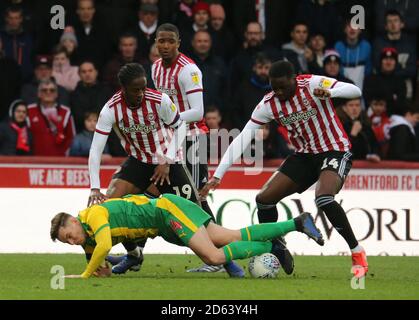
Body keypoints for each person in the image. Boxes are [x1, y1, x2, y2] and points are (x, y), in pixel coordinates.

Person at [202, 60, 368, 278]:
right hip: (304, 156)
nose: (279, 92)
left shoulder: (312, 84)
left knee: (324, 198)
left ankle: (357, 251)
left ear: (295, 79)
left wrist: (330, 92)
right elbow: (243, 138)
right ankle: (277, 246)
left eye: (283, 86)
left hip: (334, 150)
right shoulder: (268, 104)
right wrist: (218, 174)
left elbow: (354, 90)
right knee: (264, 199)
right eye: (274, 87)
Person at [87, 63, 216, 275]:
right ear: (123, 88)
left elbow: (180, 126)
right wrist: (94, 188)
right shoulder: (111, 109)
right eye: (135, 89)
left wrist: (166, 160)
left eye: (143, 88)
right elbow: (95, 150)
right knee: (109, 205)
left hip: (169, 159)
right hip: (138, 160)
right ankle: (134, 254)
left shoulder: (159, 100)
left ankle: (222, 257)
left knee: (193, 211)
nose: (141, 93)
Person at [50, 193, 324, 279]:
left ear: (74, 220)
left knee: (213, 255)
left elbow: (105, 245)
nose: (72, 241)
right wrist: (99, 271)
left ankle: (269, 246)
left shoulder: (94, 214)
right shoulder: (85, 235)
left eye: (69, 235)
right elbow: (97, 258)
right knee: (230, 236)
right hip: (164, 223)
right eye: (67, 241)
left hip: (167, 212)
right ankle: (296, 223)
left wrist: (85, 275)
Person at [152, 23, 244, 275]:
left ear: (179, 43)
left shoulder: (189, 70)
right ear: (156, 42)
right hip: (169, 140)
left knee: (196, 200)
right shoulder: (156, 68)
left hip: (193, 139)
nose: (165, 46)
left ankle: (225, 260)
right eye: (161, 41)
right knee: (162, 195)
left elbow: (198, 111)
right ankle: (134, 254)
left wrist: (171, 119)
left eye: (170, 41)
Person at [27, 80, 76, 156]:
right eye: (44, 90)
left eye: (52, 90)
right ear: (39, 94)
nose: (48, 92)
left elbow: (71, 137)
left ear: (56, 94)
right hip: (35, 160)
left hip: (59, 160)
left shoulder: (65, 112)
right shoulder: (29, 111)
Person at [70, 61, 112, 132]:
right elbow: (77, 116)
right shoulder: (74, 95)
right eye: (84, 72)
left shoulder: (106, 91)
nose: (87, 74)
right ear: (79, 74)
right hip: (82, 132)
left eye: (90, 71)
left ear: (96, 72)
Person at [363, 47, 407, 116]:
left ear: (395, 62)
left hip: (394, 116)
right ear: (381, 62)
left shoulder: (400, 81)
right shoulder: (370, 79)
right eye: (385, 59)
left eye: (391, 59)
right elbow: (367, 99)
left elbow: (401, 103)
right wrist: (390, 98)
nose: (388, 62)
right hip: (373, 115)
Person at [334, 19, 372, 89]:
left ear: (360, 30)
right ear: (345, 29)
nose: (352, 29)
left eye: (355, 26)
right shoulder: (338, 46)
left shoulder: (366, 46)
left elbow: (368, 71)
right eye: (349, 26)